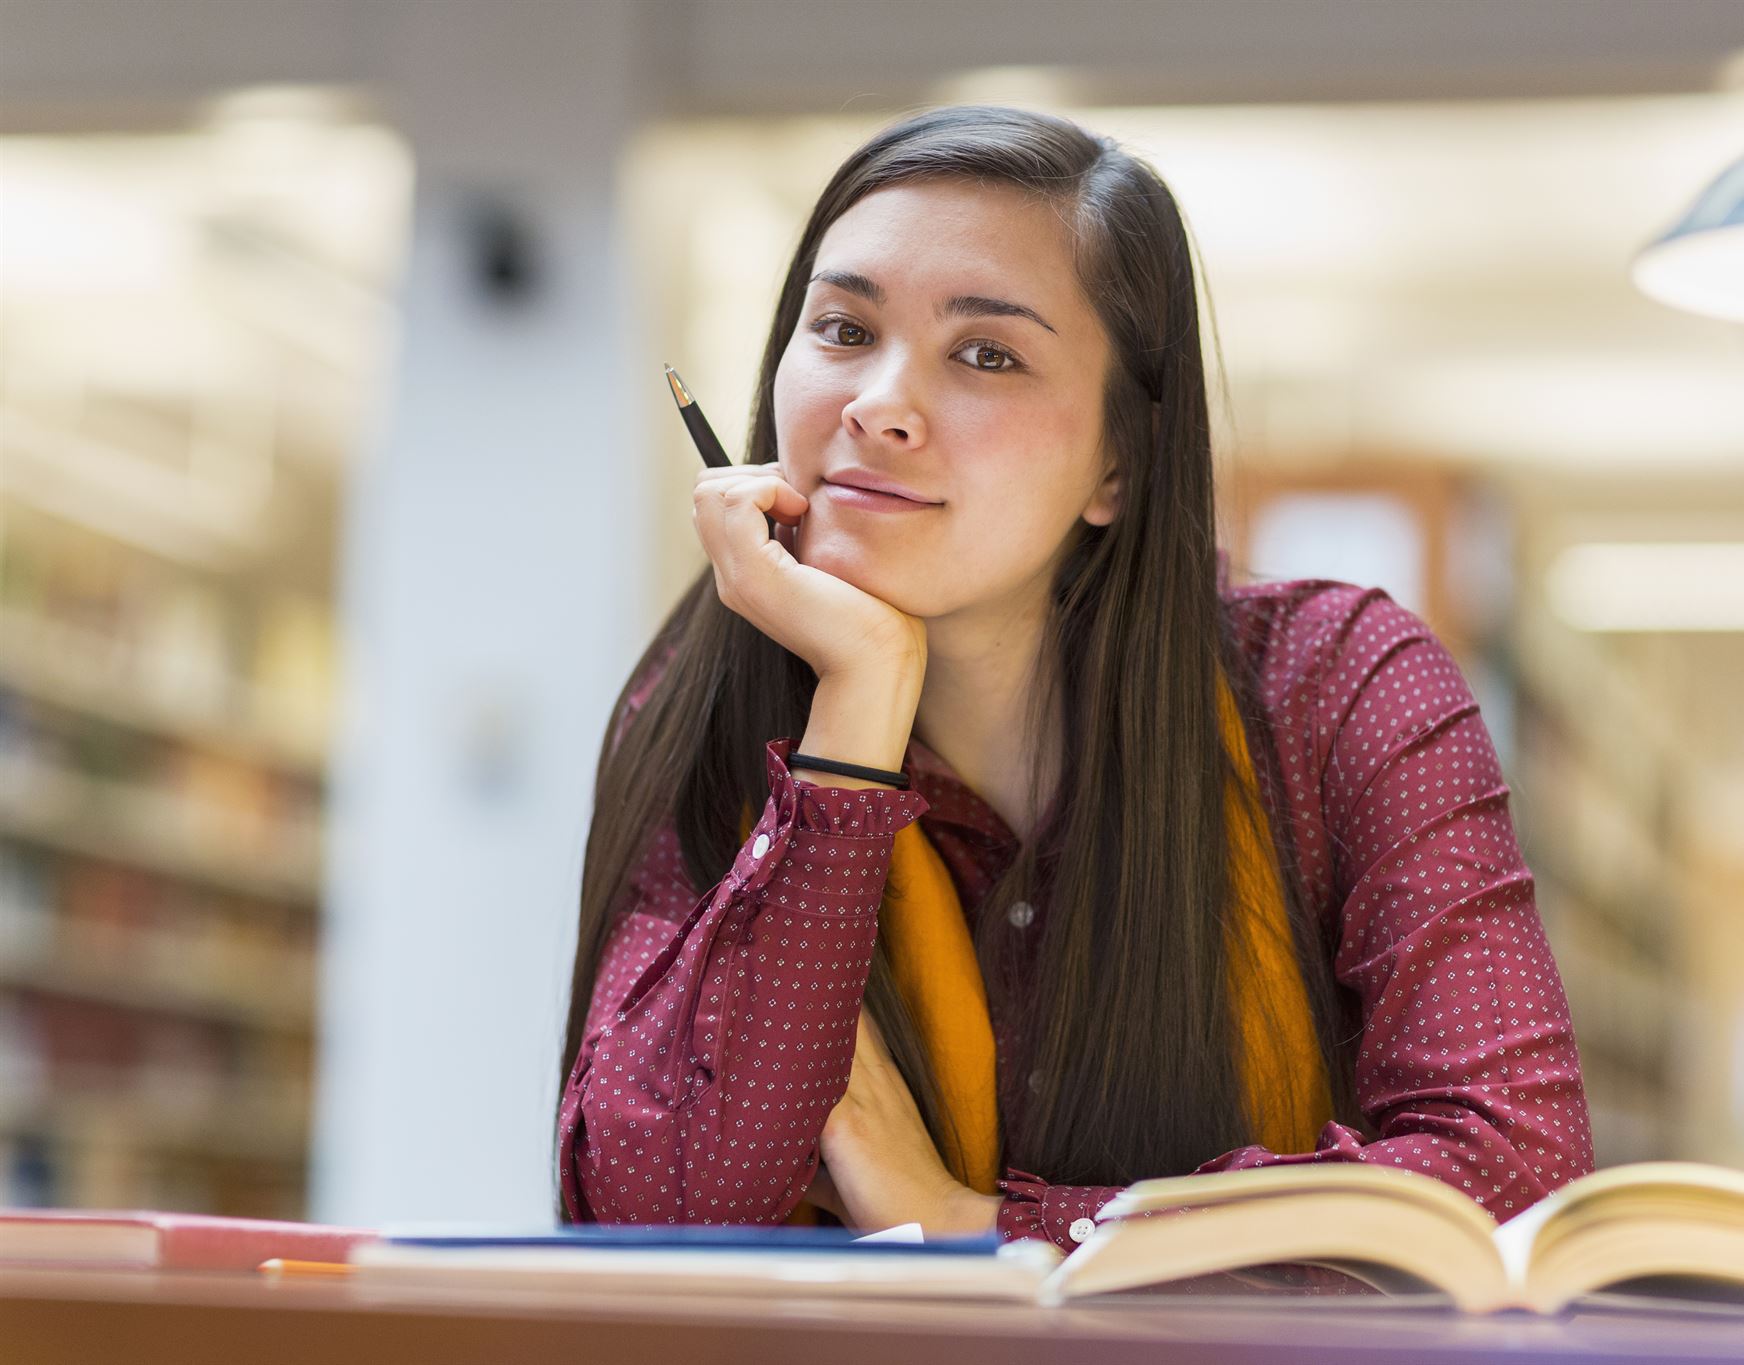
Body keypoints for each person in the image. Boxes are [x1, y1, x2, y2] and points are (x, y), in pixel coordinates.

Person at [556, 104, 1593, 1251]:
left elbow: (1510, 1175)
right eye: (843, 329)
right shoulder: (700, 701)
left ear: (1118, 462)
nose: (876, 403)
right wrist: (853, 709)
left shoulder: (1338, 686)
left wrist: (994, 1232)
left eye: (985, 354)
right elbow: (656, 1216)